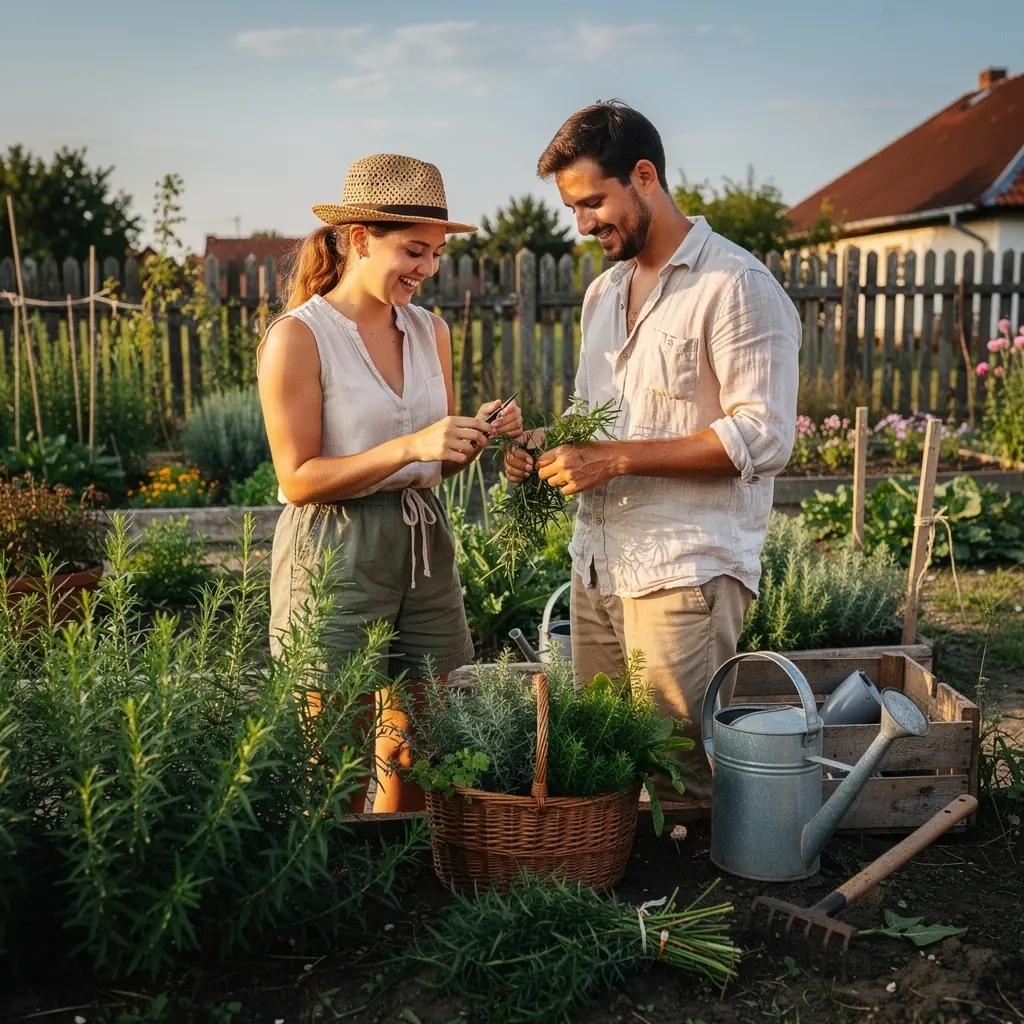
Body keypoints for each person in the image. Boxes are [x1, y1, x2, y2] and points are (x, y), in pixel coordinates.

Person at [505, 102, 800, 804]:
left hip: (683, 572)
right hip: (599, 565)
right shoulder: (604, 294)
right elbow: (595, 421)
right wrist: (540, 448)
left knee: (678, 777)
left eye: (592, 203)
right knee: (605, 763)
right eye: (573, 209)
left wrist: (615, 460)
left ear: (644, 176)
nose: (583, 225)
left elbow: (764, 435)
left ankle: (688, 881)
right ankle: (620, 879)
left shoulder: (735, 286)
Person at [258, 153, 522, 814]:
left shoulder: (431, 330)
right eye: (413, 251)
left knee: (420, 744)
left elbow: (434, 464)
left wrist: (474, 437)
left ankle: (403, 866)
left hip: (424, 542)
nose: (427, 269)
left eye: (435, 254)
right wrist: (411, 444)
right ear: (359, 239)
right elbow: (297, 478)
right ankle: (343, 872)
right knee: (336, 757)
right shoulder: (299, 337)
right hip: (336, 549)